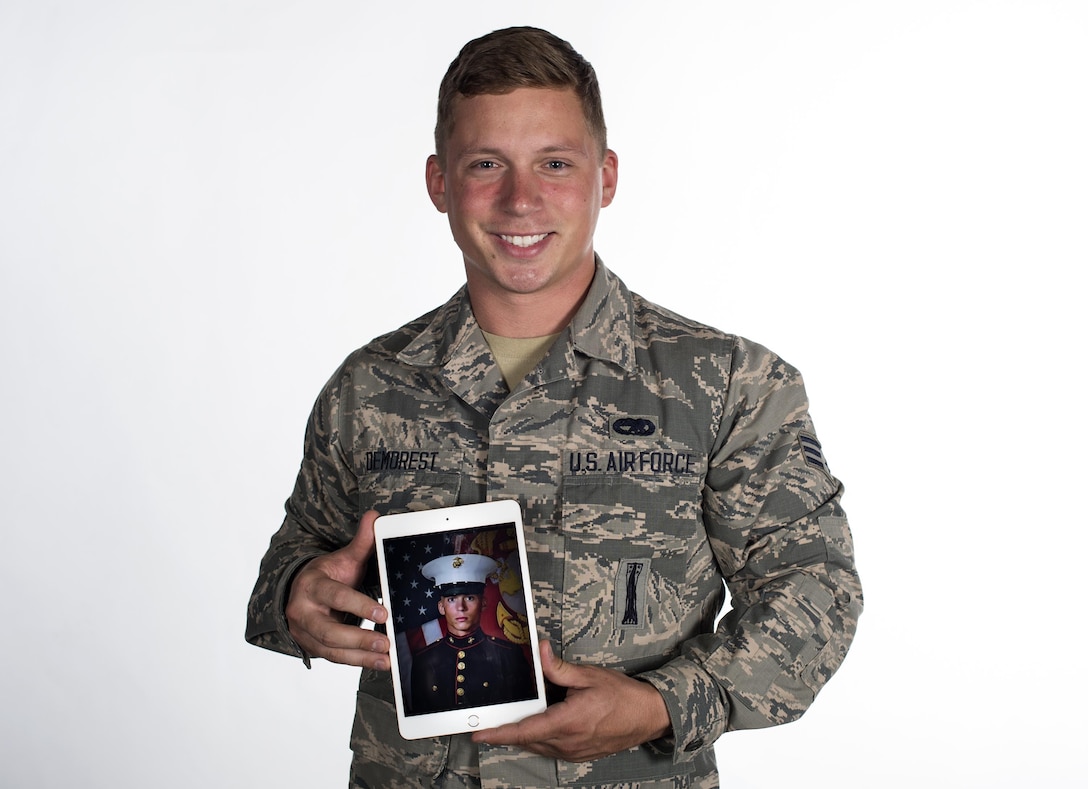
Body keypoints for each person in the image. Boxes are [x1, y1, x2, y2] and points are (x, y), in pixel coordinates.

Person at [246, 25, 863, 789]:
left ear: (605, 176)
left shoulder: (728, 383)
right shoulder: (371, 386)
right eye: (485, 165)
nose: (521, 199)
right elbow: (294, 559)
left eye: (555, 163)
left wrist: (663, 703)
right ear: (440, 182)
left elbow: (816, 590)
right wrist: (296, 596)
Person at [410, 553, 534, 714]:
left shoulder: (510, 655)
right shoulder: (423, 660)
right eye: (452, 599)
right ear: (441, 607)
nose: (461, 607)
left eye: (469, 598)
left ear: (483, 603)